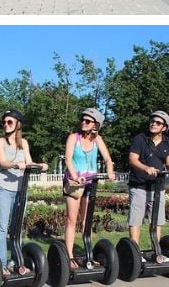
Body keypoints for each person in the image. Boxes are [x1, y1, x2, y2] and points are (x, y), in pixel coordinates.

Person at [0, 110, 48, 276]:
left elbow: (29, 162)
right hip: (3, 188)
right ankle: (0, 264)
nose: (6, 125)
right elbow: (2, 162)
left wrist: (40, 165)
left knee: (17, 227)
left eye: (9, 122)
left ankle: (16, 262)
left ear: (18, 124)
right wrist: (16, 164)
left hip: (20, 189)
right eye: (4, 122)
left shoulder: (24, 142)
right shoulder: (0, 141)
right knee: (2, 227)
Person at [63, 108, 115, 268]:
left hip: (91, 182)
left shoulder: (97, 139)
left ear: (96, 125)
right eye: (83, 120)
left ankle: (88, 254)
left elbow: (107, 157)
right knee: (72, 220)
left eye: (87, 121)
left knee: (87, 220)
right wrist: (75, 176)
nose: (83, 123)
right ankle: (69, 256)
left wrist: (110, 170)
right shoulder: (74, 137)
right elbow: (68, 159)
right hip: (74, 183)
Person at [127, 110, 169, 260]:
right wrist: (145, 168)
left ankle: (156, 251)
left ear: (164, 127)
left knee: (156, 220)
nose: (153, 124)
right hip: (139, 184)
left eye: (158, 122)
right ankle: (135, 254)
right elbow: (132, 159)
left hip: (157, 186)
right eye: (152, 121)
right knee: (135, 219)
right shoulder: (140, 139)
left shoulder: (168, 142)